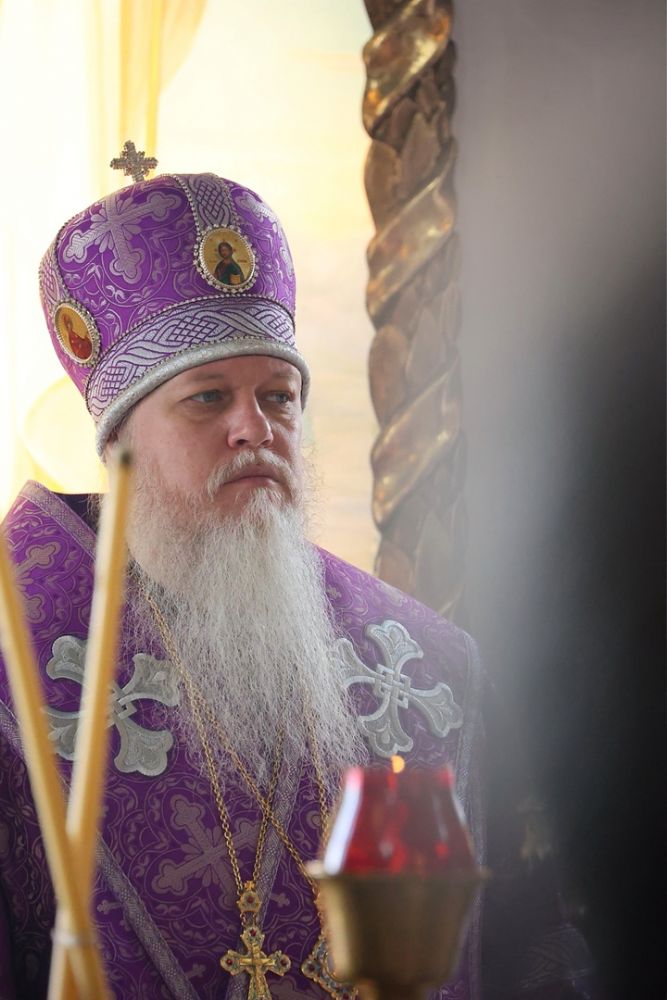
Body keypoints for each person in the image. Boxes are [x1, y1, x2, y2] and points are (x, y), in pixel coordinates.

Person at [0, 168, 598, 999]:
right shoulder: (17, 654)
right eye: (208, 399)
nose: (255, 427)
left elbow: (532, 954)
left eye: (278, 397)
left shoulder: (427, 670)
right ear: (120, 445)